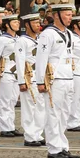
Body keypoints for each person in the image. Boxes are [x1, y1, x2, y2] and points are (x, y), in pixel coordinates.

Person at [35, 3, 80, 158]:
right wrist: (40, 80)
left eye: (71, 14)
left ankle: (62, 146)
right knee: (53, 114)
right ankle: (54, 149)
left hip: (68, 77)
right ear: (56, 15)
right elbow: (41, 58)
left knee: (64, 115)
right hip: (55, 79)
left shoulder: (69, 33)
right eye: (67, 14)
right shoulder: (48, 34)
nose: (70, 18)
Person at [15, 13, 46, 147]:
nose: (38, 25)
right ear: (27, 25)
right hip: (28, 77)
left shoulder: (40, 40)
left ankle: (37, 133)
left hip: (39, 77)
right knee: (29, 108)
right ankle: (29, 135)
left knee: (40, 107)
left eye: (38, 22)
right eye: (34, 23)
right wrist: (21, 80)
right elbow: (20, 60)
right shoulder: (22, 41)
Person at [0, 14, 22, 138]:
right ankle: (4, 127)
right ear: (7, 25)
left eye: (17, 22)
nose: (17, 24)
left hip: (16, 73)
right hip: (6, 72)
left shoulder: (19, 38)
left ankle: (11, 125)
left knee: (13, 100)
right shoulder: (1, 39)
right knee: (4, 100)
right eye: (14, 22)